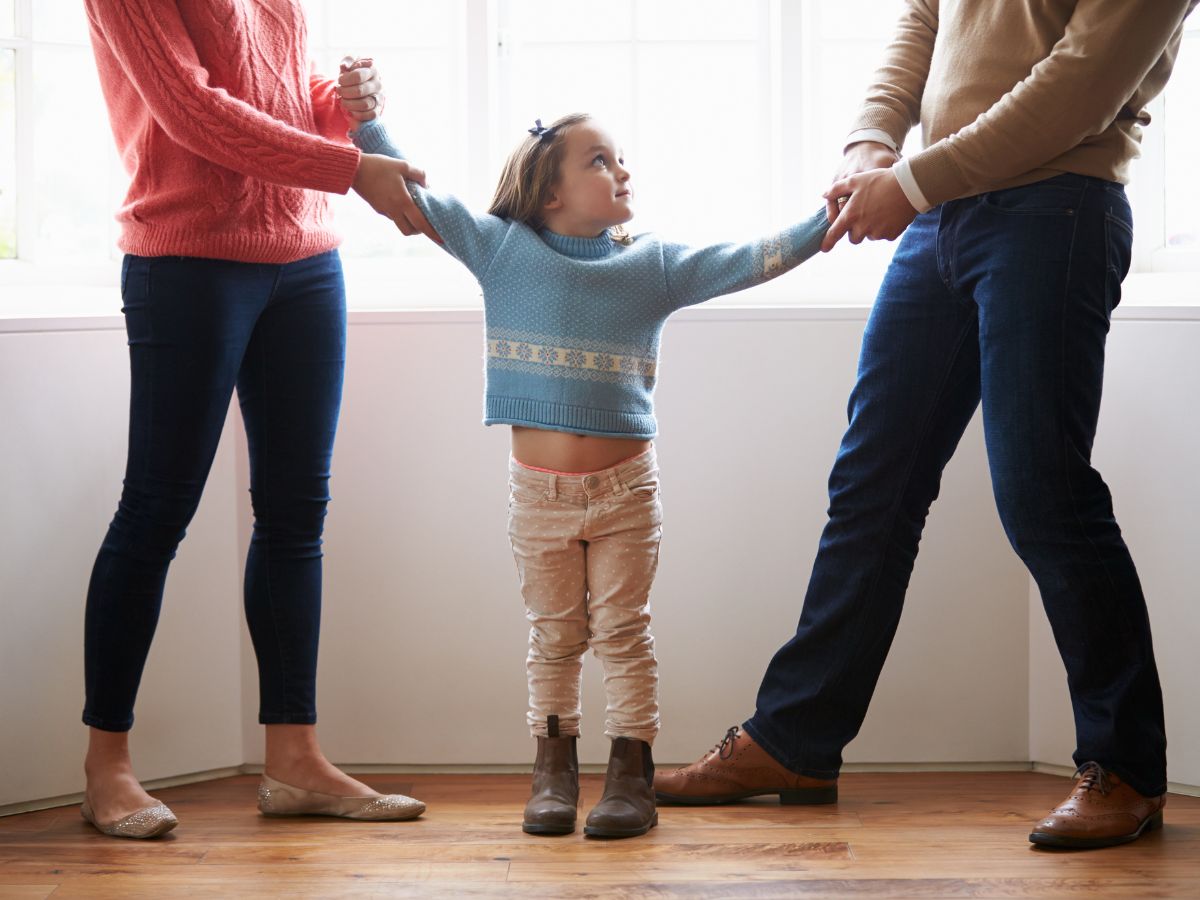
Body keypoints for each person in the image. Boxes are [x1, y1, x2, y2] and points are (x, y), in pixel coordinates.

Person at [657, 0, 1196, 850]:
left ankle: (1125, 767)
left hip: (1054, 211)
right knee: (871, 486)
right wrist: (871, 145)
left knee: (1044, 494)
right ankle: (795, 741)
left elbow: (1081, 84)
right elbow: (922, 19)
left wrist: (910, 184)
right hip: (942, 217)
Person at [349, 112, 829, 838]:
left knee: (624, 633)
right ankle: (553, 773)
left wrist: (832, 216)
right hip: (537, 496)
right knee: (554, 637)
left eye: (620, 157)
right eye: (600, 160)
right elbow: (416, 200)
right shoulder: (501, 248)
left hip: (626, 492)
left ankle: (630, 776)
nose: (622, 170)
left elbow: (752, 258)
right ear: (550, 192)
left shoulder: (652, 264)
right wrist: (365, 121)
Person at [80, 0, 439, 838]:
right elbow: (193, 110)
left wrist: (342, 104)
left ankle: (294, 761)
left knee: (294, 514)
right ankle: (107, 768)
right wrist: (351, 168)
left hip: (306, 261)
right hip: (188, 262)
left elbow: (280, 90)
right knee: (155, 511)